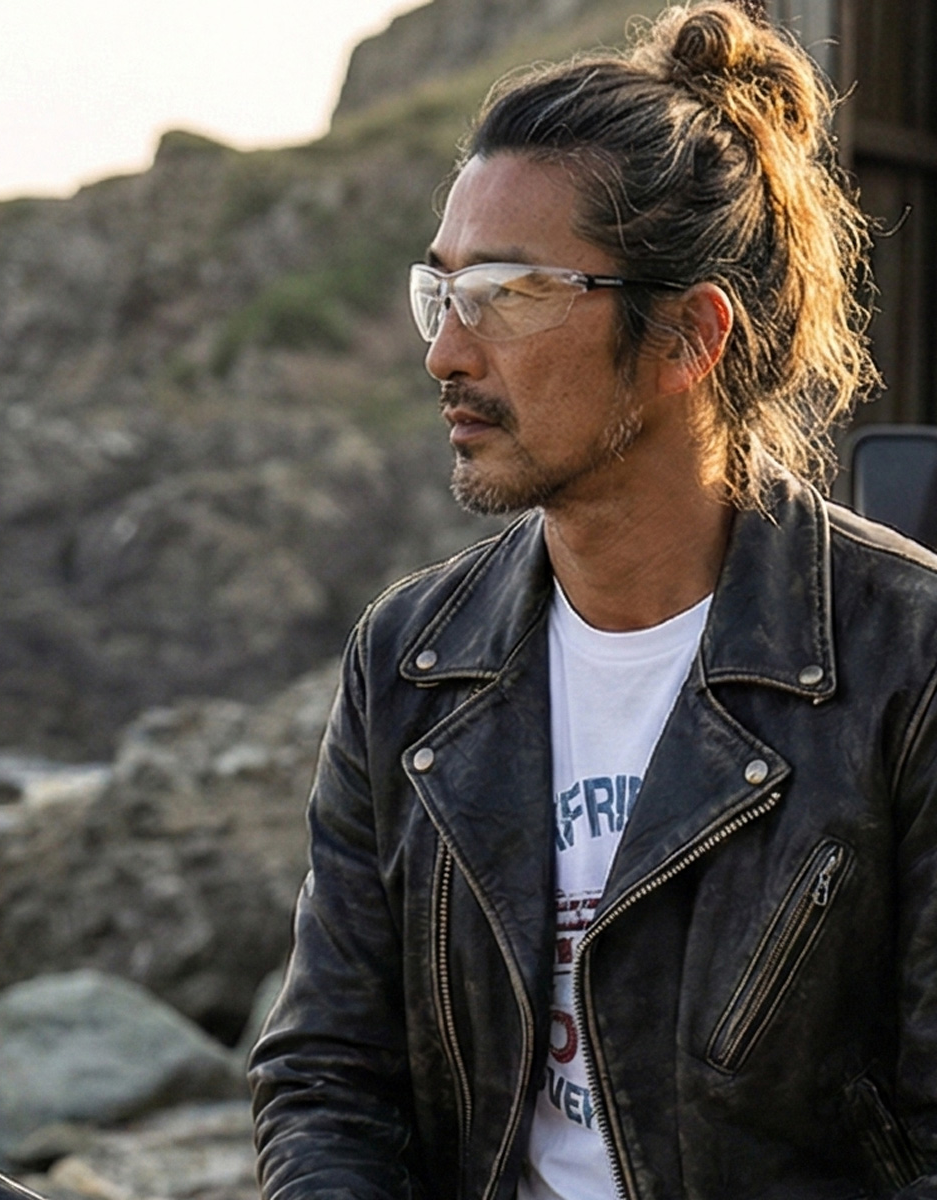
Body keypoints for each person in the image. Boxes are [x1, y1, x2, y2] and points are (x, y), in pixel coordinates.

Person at [248, 3, 937, 1197]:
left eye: (507, 294)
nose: (445, 354)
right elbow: (330, 1075)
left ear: (688, 336)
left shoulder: (904, 661)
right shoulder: (411, 659)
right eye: (441, 293)